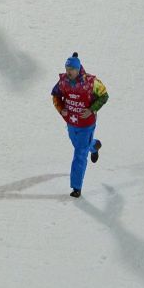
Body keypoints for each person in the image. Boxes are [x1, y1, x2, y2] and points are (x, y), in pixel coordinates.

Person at [51, 53, 109, 198]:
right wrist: (61, 109)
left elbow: (104, 95)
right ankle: (94, 146)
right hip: (71, 123)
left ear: (78, 69)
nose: (68, 71)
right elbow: (55, 95)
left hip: (86, 125)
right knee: (78, 145)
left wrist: (91, 109)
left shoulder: (91, 82)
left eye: (71, 68)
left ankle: (76, 187)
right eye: (66, 68)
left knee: (80, 153)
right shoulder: (63, 82)